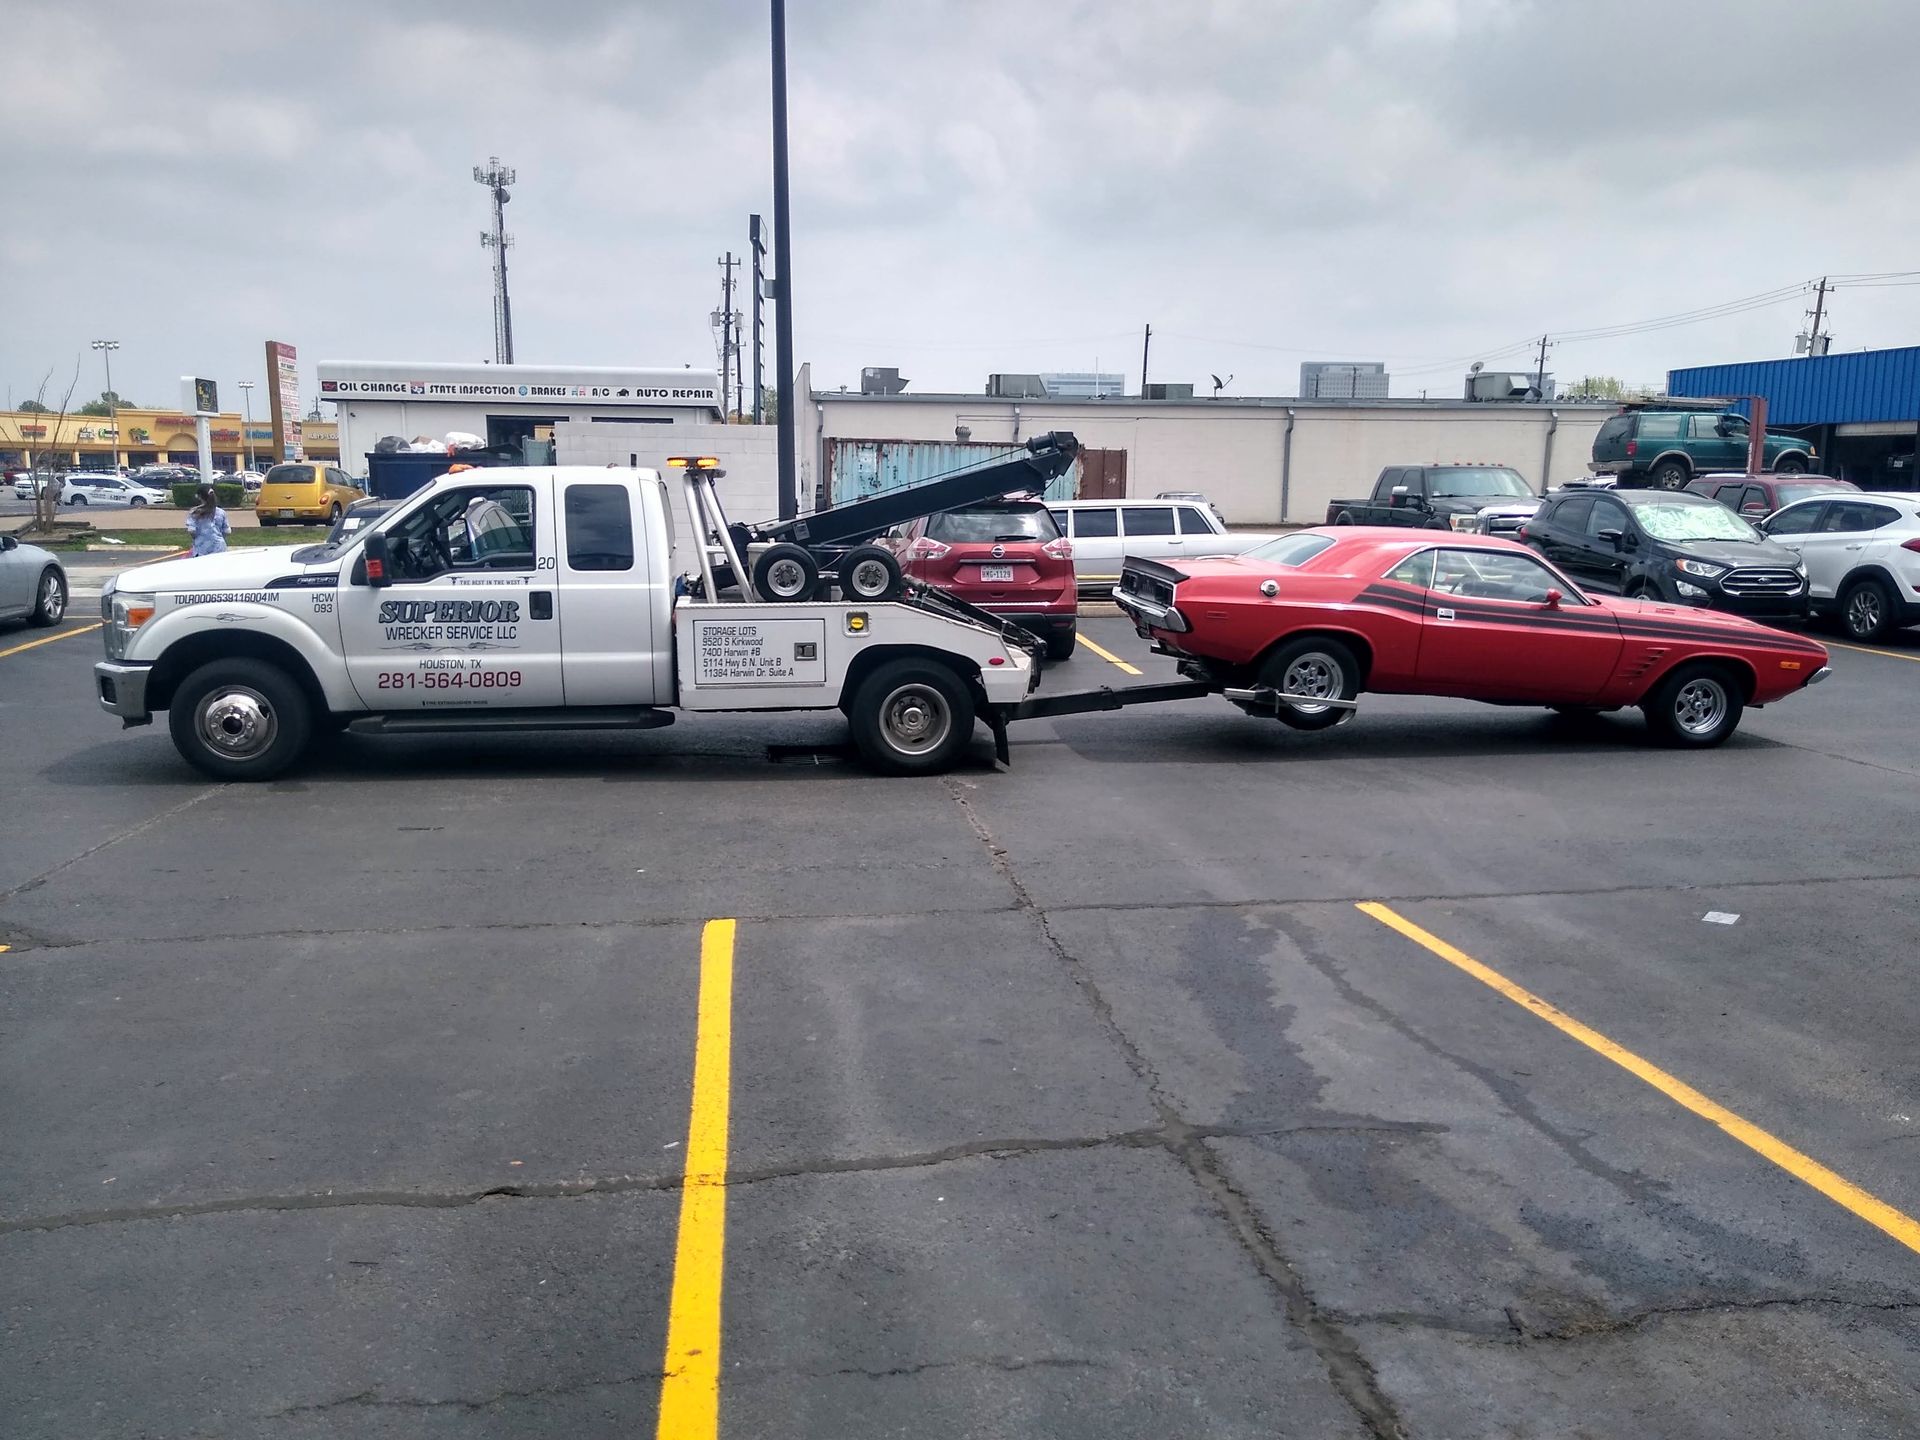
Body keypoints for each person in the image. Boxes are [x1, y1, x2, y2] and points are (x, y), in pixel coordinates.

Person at [185, 484, 230, 556]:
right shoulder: (221, 512)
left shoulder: (195, 512)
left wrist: (196, 538)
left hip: (202, 549)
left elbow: (191, 530)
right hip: (220, 548)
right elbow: (227, 531)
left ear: (199, 497)